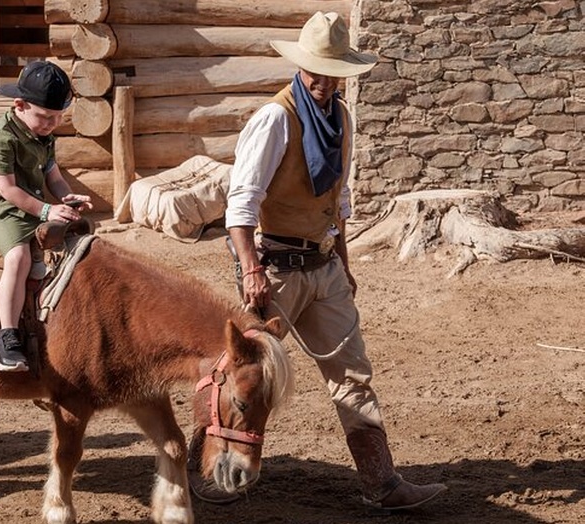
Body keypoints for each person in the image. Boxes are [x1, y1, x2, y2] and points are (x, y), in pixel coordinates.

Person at [219, 11, 447, 510]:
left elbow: (338, 201)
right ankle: (210, 467)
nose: (323, 82)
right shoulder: (275, 119)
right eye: (315, 71)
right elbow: (241, 203)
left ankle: (381, 484)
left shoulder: (341, 117)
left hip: (324, 267)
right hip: (276, 270)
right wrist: (252, 270)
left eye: (333, 73)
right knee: (248, 375)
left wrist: (343, 262)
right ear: (300, 66)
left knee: (352, 374)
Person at [0, 60, 92, 372]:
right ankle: (8, 338)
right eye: (45, 116)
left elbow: (54, 177)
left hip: (33, 205)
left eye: (58, 116)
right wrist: (48, 210)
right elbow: (7, 189)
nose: (52, 123)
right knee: (18, 257)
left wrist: (66, 197)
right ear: (19, 105)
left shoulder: (43, 135)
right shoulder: (0, 138)